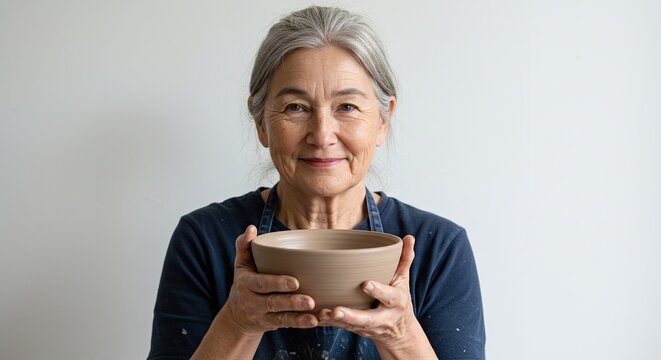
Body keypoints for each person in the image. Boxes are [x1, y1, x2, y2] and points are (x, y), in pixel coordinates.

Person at [148, 5, 485, 360]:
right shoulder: (205, 239)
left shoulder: (440, 248)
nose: (322, 135)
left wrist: (399, 334)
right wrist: (238, 322)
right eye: (296, 107)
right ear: (262, 124)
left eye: (347, 107)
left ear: (383, 122)